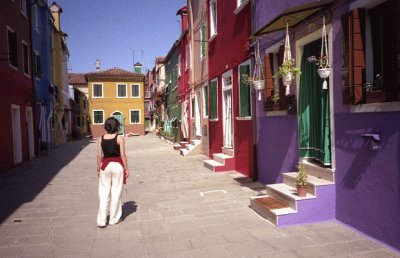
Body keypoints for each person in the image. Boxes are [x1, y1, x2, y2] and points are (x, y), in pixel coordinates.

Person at [96, 117, 129, 228]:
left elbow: (99, 156)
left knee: (104, 193)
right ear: (117, 126)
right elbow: (123, 155)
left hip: (105, 166)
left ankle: (101, 221)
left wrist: (97, 169)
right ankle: (113, 219)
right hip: (117, 166)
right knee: (116, 192)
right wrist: (126, 168)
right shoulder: (120, 138)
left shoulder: (100, 138)